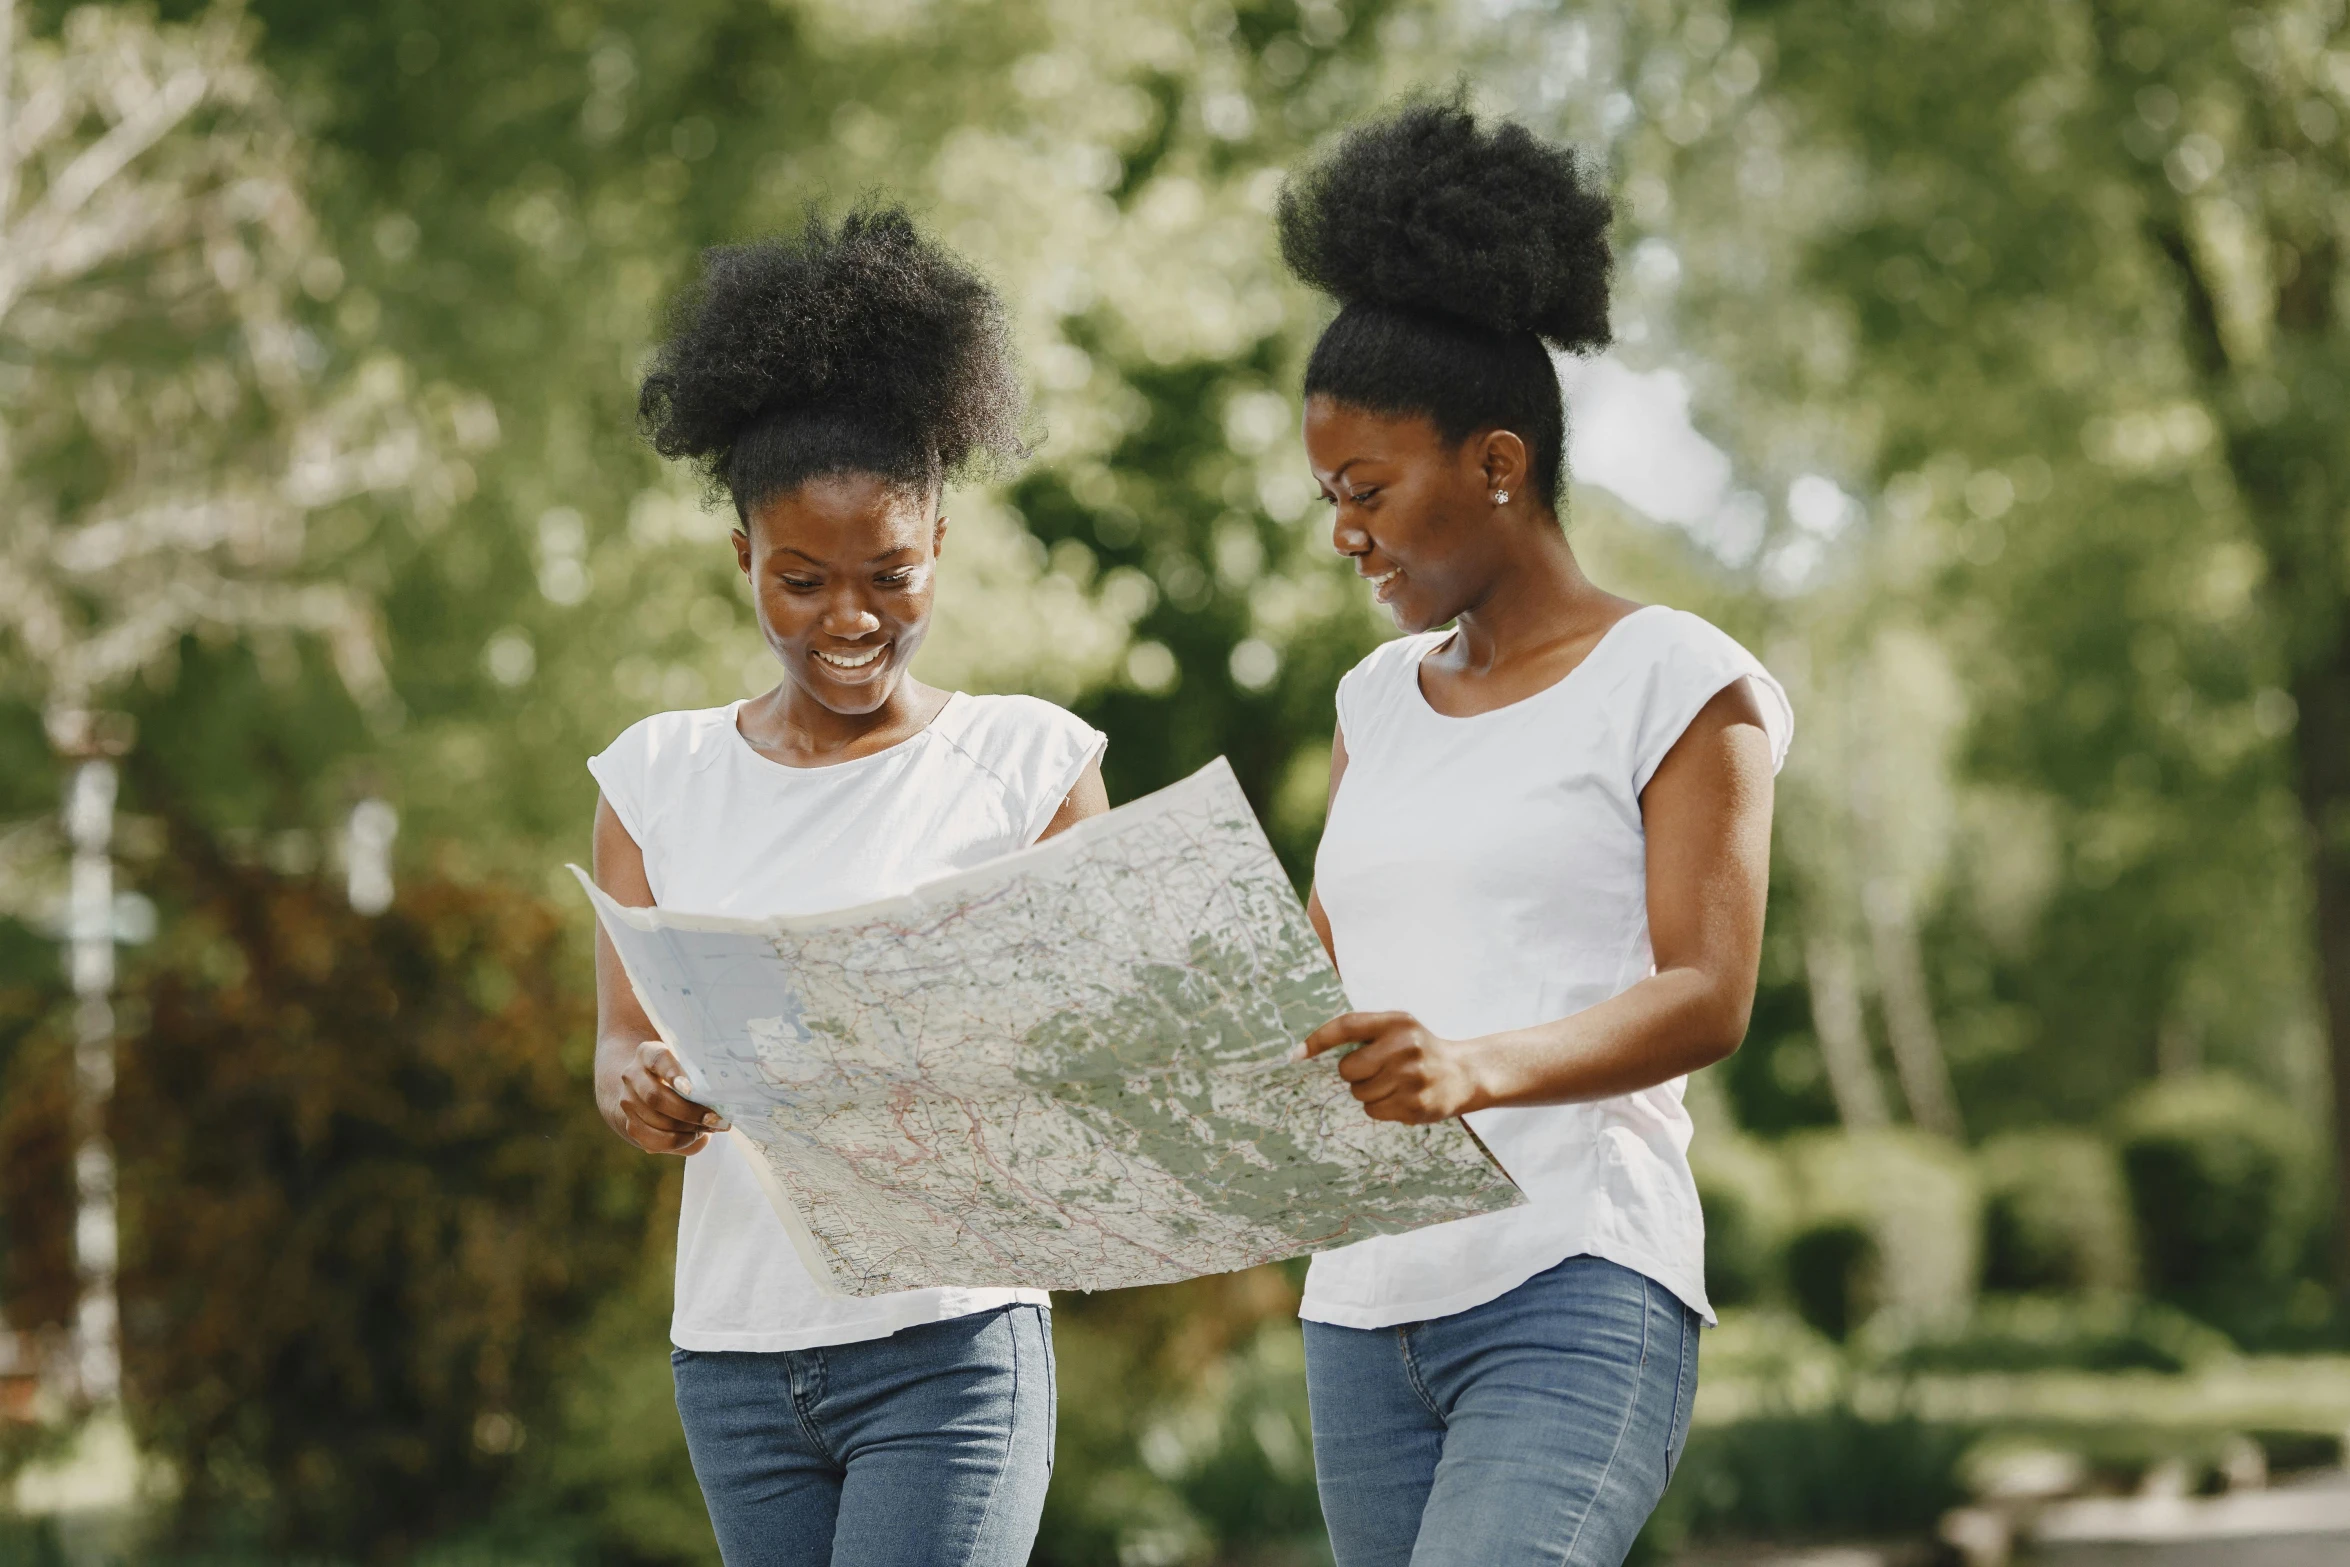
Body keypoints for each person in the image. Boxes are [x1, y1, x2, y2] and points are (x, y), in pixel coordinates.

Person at [1279, 104, 1794, 1567]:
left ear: (1497, 462)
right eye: (1329, 497)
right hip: (1361, 1309)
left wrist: (1473, 1066)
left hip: (1573, 1278)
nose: (1345, 534)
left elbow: (1708, 991)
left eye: (1366, 491)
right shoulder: (1372, 698)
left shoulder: (1680, 678)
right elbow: (1322, 983)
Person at [586, 208, 1106, 1567]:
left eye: (891, 572)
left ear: (940, 540)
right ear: (742, 562)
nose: (851, 618)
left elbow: (1096, 1057)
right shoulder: (653, 780)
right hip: (737, 1356)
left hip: (949, 1344)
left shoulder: (1030, 767)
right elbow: (619, 1051)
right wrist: (637, 1088)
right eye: (801, 579)